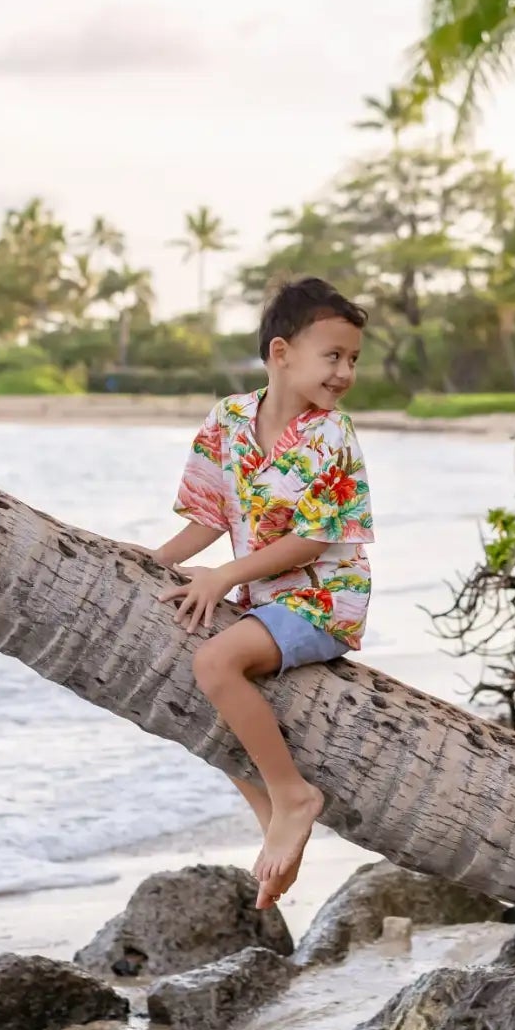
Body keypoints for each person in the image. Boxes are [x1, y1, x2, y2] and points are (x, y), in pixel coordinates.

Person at [147, 278, 375, 906]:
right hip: (262, 601)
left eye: (353, 359)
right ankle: (270, 813)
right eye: (333, 356)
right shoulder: (229, 421)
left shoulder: (332, 434)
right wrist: (153, 562)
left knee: (214, 661)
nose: (345, 372)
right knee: (191, 699)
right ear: (282, 354)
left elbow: (312, 540)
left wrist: (223, 576)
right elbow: (209, 517)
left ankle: (293, 796)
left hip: (324, 598)